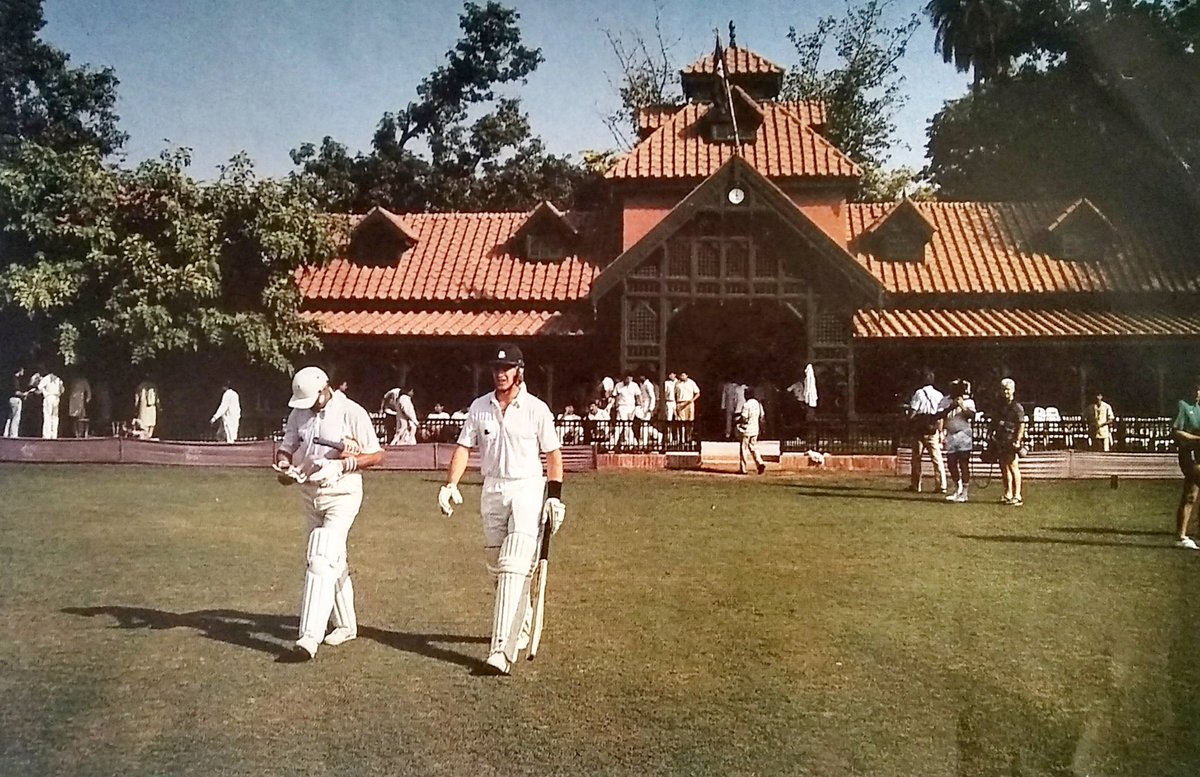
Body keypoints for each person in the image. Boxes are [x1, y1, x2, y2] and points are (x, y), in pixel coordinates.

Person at [437, 343, 566, 675]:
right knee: (498, 570)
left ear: (519, 370)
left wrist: (554, 496)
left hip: (527, 487)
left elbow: (552, 455)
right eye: (496, 368)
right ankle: (520, 624)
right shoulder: (480, 407)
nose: (500, 373)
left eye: (506, 368)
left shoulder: (537, 409)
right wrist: (450, 484)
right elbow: (464, 447)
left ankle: (500, 652)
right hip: (492, 489)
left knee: (513, 565)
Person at [275, 366, 383, 660]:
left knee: (321, 553)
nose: (308, 407)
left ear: (326, 388)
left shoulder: (351, 412)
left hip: (343, 492)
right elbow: (287, 447)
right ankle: (346, 625)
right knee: (332, 558)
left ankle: (309, 637)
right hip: (310, 492)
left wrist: (343, 464)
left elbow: (375, 454)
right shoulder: (299, 412)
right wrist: (285, 467)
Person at [1171, 377, 1200, 549]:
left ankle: (1181, 536)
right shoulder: (1182, 405)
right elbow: (1176, 432)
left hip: (1199, 454)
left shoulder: (1199, 408)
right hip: (1188, 454)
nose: (1197, 394)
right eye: (1195, 390)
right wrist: (1197, 438)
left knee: (1191, 494)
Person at [906, 370, 946, 494]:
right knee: (937, 458)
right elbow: (941, 415)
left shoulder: (919, 393)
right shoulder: (939, 395)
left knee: (916, 458)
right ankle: (941, 485)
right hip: (932, 429)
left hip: (919, 429)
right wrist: (941, 431)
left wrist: (908, 420)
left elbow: (913, 411)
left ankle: (916, 484)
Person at [989, 377, 1026, 506]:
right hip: (1000, 440)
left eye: (1008, 389)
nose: (1005, 392)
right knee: (1003, 467)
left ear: (1013, 390)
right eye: (1003, 389)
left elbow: (1021, 424)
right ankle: (1008, 493)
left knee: (1013, 466)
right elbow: (994, 421)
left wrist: (1017, 440)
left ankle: (1017, 495)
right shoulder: (999, 406)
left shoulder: (1017, 407)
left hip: (1011, 440)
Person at [938, 379, 977, 502]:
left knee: (963, 463)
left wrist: (962, 406)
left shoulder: (968, 401)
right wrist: (951, 407)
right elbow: (940, 415)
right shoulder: (945, 400)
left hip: (963, 434)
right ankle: (957, 488)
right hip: (950, 434)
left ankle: (964, 492)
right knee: (951, 463)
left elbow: (972, 416)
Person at [738, 386, 766, 475]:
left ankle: (743, 468)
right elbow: (762, 417)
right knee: (753, 447)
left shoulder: (746, 405)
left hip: (746, 429)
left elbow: (744, 418)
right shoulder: (758, 404)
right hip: (755, 429)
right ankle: (760, 463)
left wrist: (738, 422)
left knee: (743, 448)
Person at [37, 369, 65, 439]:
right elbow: (62, 390)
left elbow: (40, 387)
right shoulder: (58, 379)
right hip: (56, 397)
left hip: (49, 397)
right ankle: (54, 434)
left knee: (47, 416)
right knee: (55, 417)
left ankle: (47, 435)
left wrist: (44, 393)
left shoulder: (46, 378)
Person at [674, 371, 700, 442]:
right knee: (681, 422)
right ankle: (681, 438)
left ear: (687, 375)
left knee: (690, 421)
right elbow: (675, 394)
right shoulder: (677, 384)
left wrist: (692, 400)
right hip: (680, 402)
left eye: (683, 375)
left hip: (689, 403)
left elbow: (697, 393)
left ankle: (689, 437)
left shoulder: (691, 383)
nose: (682, 377)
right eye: (681, 375)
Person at [67, 373, 92, 437]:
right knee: (74, 418)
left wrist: (88, 398)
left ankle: (81, 433)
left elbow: (88, 390)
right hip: (73, 400)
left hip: (80, 400)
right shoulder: (73, 380)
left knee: (81, 417)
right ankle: (75, 433)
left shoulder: (84, 380)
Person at [6, 367, 26, 438]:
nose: (23, 372)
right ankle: (13, 434)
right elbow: (16, 392)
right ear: (19, 371)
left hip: (11, 399)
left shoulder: (11, 379)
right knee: (16, 417)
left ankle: (6, 432)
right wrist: (23, 394)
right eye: (22, 370)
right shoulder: (15, 380)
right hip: (15, 399)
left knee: (10, 416)